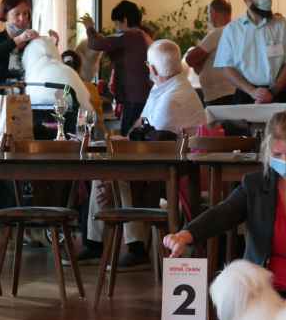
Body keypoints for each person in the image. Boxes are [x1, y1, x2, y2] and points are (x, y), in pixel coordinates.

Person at [163, 111, 286, 294]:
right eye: (277, 155)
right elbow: (224, 213)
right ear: (267, 152)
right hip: (263, 293)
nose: (284, 161)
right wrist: (185, 235)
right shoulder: (254, 184)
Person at [80, 40, 206, 269]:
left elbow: (149, 142)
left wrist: (127, 140)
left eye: (148, 64)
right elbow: (141, 124)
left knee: (118, 176)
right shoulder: (165, 86)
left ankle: (135, 249)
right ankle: (95, 244)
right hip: (161, 161)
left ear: (153, 69)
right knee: (105, 173)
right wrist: (129, 138)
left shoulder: (173, 97)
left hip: (175, 171)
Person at [215, 0, 286, 105]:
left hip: (278, 93)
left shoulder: (282, 26)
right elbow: (226, 67)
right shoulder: (232, 30)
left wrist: (272, 92)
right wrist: (252, 91)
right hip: (245, 94)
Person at [79, 0, 154, 134]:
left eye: (116, 23)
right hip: (142, 95)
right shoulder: (143, 35)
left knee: (128, 137)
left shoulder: (130, 36)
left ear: (124, 20)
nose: (115, 28)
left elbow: (96, 44)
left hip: (134, 98)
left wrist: (89, 28)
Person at [0, 0, 59, 105]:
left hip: (28, 101)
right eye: (17, 14)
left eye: (25, 14)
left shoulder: (33, 42)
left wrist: (52, 45)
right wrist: (18, 39)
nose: (22, 18)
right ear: (6, 15)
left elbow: (46, 68)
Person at [184, 0, 235, 105]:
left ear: (213, 13)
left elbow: (190, 59)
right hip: (230, 92)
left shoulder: (218, 33)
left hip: (220, 95)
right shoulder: (236, 31)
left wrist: (199, 62)